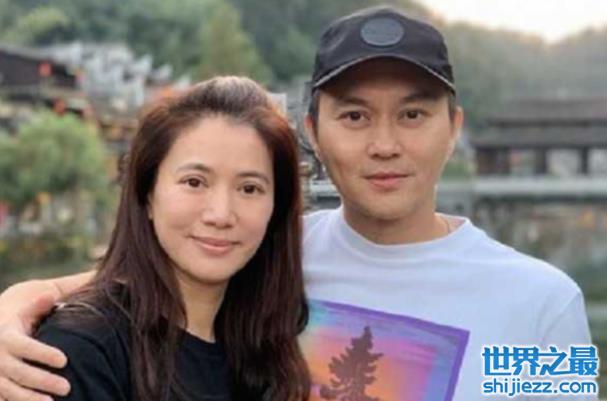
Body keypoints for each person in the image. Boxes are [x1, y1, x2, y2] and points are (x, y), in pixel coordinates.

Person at [0, 6, 596, 401]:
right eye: (354, 116)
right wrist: (25, 301)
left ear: (454, 128)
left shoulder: (540, 303)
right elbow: (148, 274)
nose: (385, 144)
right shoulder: (276, 248)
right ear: (313, 131)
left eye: (413, 114)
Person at [0, 76, 310, 401]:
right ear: (148, 193)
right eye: (194, 182)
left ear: (276, 207)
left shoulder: (266, 340)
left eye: (249, 188)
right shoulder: (83, 350)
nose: (220, 214)